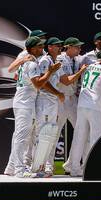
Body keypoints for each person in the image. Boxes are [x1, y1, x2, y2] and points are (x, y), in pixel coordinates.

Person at [66, 49, 101, 177]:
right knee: (96, 137)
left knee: (79, 137)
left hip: (82, 104)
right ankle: (93, 167)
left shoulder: (87, 68)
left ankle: (75, 168)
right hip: (95, 106)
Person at [3, 37, 46, 177]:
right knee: (22, 137)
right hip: (25, 103)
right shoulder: (31, 63)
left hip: (23, 101)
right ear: (33, 48)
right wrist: (50, 72)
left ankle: (11, 167)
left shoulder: (27, 61)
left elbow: (13, 72)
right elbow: (38, 85)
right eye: (40, 46)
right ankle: (19, 170)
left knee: (19, 136)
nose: (42, 49)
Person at [27, 38, 68, 178]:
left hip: (52, 102)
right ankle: (36, 168)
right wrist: (58, 93)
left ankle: (44, 167)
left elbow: (63, 81)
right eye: (57, 45)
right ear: (50, 47)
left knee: (49, 135)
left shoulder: (55, 61)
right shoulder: (45, 60)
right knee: (41, 134)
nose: (60, 47)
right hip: (44, 101)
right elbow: (43, 83)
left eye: (60, 45)